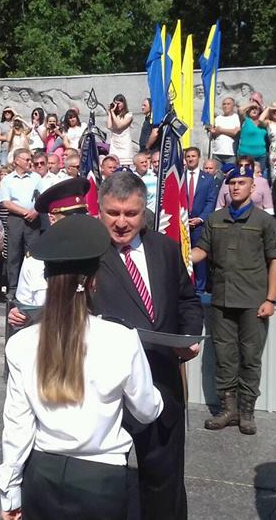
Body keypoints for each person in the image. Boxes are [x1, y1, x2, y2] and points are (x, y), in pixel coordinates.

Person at [0, 214, 162, 520]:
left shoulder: (21, 343)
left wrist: (10, 492)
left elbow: (18, 426)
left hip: (42, 473)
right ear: (94, 281)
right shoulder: (121, 339)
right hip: (101, 478)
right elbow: (146, 410)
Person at [91, 171, 203, 520]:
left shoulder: (165, 249)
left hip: (163, 381)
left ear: (144, 213)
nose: (122, 222)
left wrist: (189, 336)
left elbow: (188, 300)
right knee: (106, 482)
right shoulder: (89, 255)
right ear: (99, 211)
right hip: (108, 389)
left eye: (131, 214)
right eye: (113, 213)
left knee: (165, 479)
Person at [191, 164, 276, 435]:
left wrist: (271, 299)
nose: (235, 187)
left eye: (241, 183)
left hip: (253, 300)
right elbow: (201, 251)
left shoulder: (264, 221)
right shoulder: (215, 219)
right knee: (224, 356)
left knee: (250, 358)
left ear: (253, 188)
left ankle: (246, 411)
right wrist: (180, 254)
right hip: (222, 299)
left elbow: (275, 261)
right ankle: (227, 409)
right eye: (232, 183)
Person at [8, 177, 91, 317]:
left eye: (81, 217)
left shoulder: (96, 256)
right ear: (52, 219)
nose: (77, 224)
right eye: (69, 218)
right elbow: (25, 308)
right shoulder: (35, 261)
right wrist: (19, 318)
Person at [0, 148, 41, 298]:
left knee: (32, 254)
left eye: (30, 159)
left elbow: (42, 197)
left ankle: (32, 287)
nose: (30, 162)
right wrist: (24, 212)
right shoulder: (8, 180)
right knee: (14, 254)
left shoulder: (36, 178)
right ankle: (13, 288)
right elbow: (5, 202)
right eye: (27, 159)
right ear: (17, 161)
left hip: (33, 219)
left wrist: (35, 211)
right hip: (15, 218)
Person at [183, 147, 218, 293]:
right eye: (188, 156)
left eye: (193, 156)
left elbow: (211, 201)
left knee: (201, 256)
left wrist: (200, 219)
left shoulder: (208, 179)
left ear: (199, 158)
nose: (191, 159)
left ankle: (200, 287)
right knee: (183, 255)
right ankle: (185, 286)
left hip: (199, 225)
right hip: (182, 223)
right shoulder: (179, 177)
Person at [208, 97, 241, 163]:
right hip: (217, 153)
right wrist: (213, 132)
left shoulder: (237, 117)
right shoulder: (218, 118)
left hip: (231, 154)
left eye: (228, 104)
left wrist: (220, 130)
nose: (225, 106)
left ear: (233, 106)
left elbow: (235, 132)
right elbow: (215, 134)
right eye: (224, 104)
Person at [107, 94, 134, 163]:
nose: (117, 105)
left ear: (123, 103)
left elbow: (119, 125)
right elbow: (109, 126)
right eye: (115, 103)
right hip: (115, 144)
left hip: (124, 144)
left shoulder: (128, 115)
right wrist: (110, 112)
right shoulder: (114, 115)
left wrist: (113, 113)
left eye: (119, 103)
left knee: (125, 164)